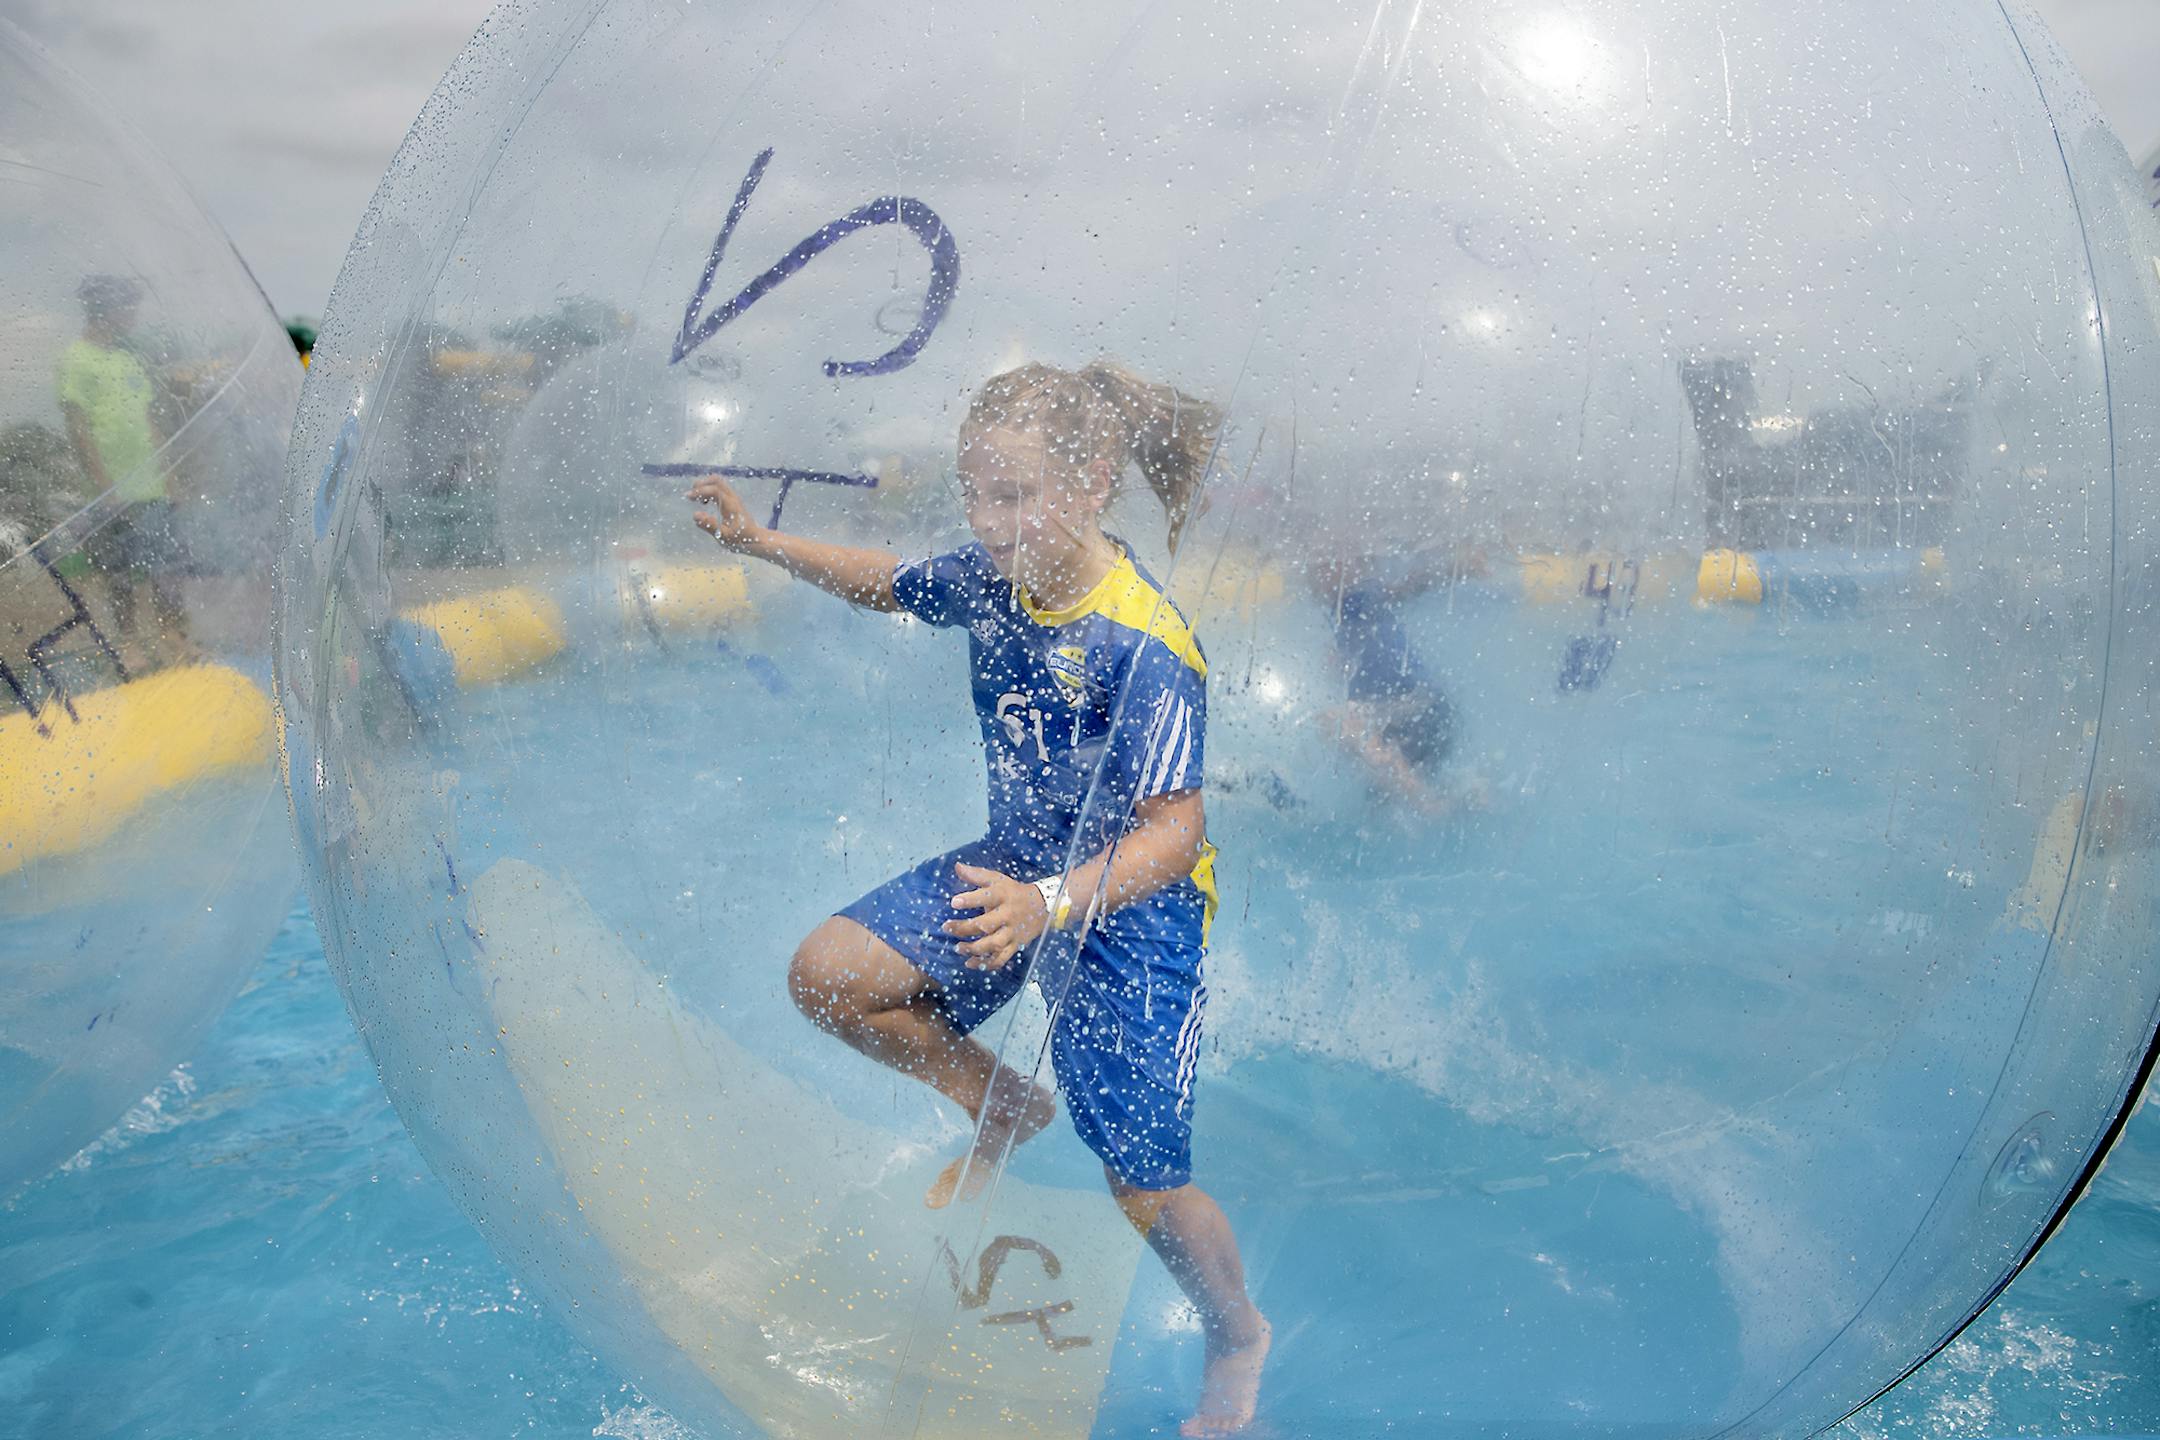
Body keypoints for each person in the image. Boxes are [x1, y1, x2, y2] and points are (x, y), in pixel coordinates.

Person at [688, 359, 1269, 1437]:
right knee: (831, 979)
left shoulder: (1143, 640)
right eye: (975, 494)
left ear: (1092, 482)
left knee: (1141, 1188)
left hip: (1128, 921)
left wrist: (1049, 903)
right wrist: (761, 543)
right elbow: (888, 578)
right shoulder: (995, 580)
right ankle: (1001, 1099)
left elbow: (1174, 831)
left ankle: (1238, 1335)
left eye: (1014, 497)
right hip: (1015, 871)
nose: (990, 523)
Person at [57, 274, 183, 654]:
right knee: (119, 569)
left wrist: (170, 473)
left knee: (165, 563)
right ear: (104, 309)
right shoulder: (76, 358)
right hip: (112, 485)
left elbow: (147, 420)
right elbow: (78, 428)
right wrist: (104, 484)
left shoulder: (127, 357)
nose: (133, 314)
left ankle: (171, 632)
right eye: (127, 305)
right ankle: (129, 639)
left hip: (151, 482)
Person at [1310, 548, 1468, 815]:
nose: (1315, 576)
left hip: (1417, 706)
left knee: (1335, 723)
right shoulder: (1341, 610)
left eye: (1322, 567)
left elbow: (1405, 587)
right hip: (1412, 718)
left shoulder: (1357, 597)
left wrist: (1454, 567)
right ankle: (1466, 800)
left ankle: (1429, 804)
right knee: (1383, 808)